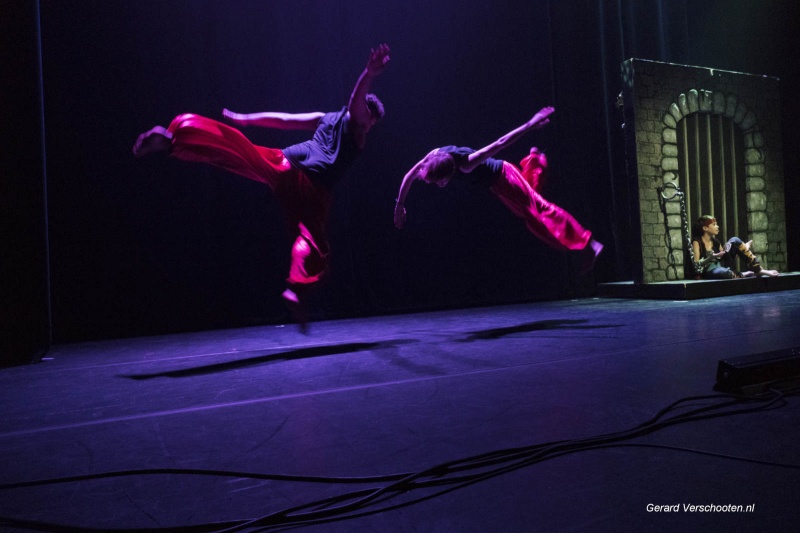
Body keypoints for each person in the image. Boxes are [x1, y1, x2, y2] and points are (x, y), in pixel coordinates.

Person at [132, 44, 391, 330]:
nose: (367, 127)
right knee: (315, 245)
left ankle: (173, 141)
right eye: (369, 122)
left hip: (285, 164)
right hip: (313, 188)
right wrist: (368, 73)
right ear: (366, 115)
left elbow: (285, 121)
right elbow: (355, 103)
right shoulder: (357, 131)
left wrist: (246, 119)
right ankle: (294, 288)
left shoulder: (325, 117)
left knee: (239, 156)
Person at [393, 107, 603, 273]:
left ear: (446, 177)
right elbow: (409, 176)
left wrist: (530, 125)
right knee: (530, 209)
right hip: (499, 187)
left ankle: (590, 243)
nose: (436, 186)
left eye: (437, 183)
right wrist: (400, 206)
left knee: (538, 214)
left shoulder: (467, 163)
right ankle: (535, 161)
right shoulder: (434, 155)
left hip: (506, 178)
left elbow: (500, 143)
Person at [690, 215, 778, 279]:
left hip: (719, 266)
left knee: (734, 240)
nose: (717, 226)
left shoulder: (715, 242)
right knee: (724, 273)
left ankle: (758, 270)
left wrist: (741, 248)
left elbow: (724, 256)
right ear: (705, 228)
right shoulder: (697, 242)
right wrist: (710, 258)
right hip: (708, 271)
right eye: (714, 225)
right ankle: (743, 274)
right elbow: (697, 265)